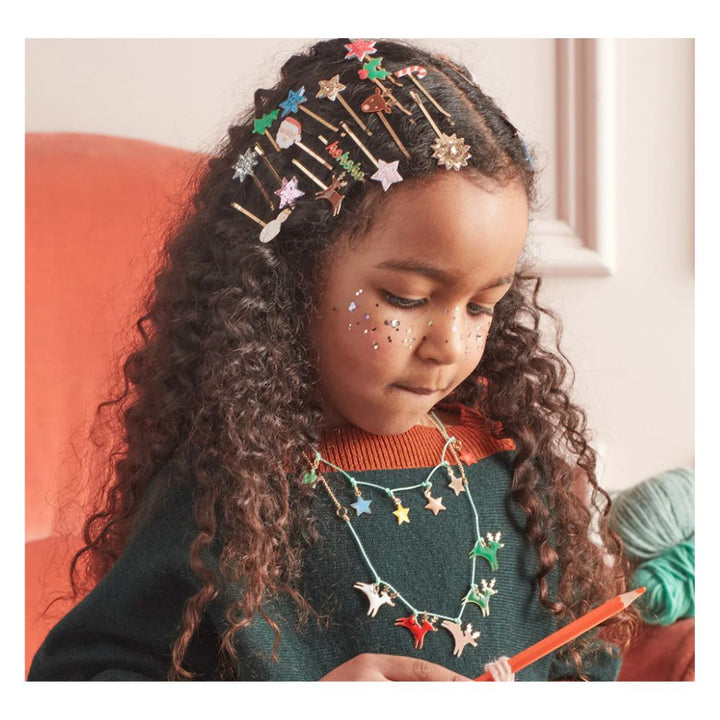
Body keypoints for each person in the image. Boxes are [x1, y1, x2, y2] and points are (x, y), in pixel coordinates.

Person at [28, 38, 635, 681]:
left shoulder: (515, 474)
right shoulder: (228, 496)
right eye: (406, 298)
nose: (450, 344)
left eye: (483, 306)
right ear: (291, 279)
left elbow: (586, 666)